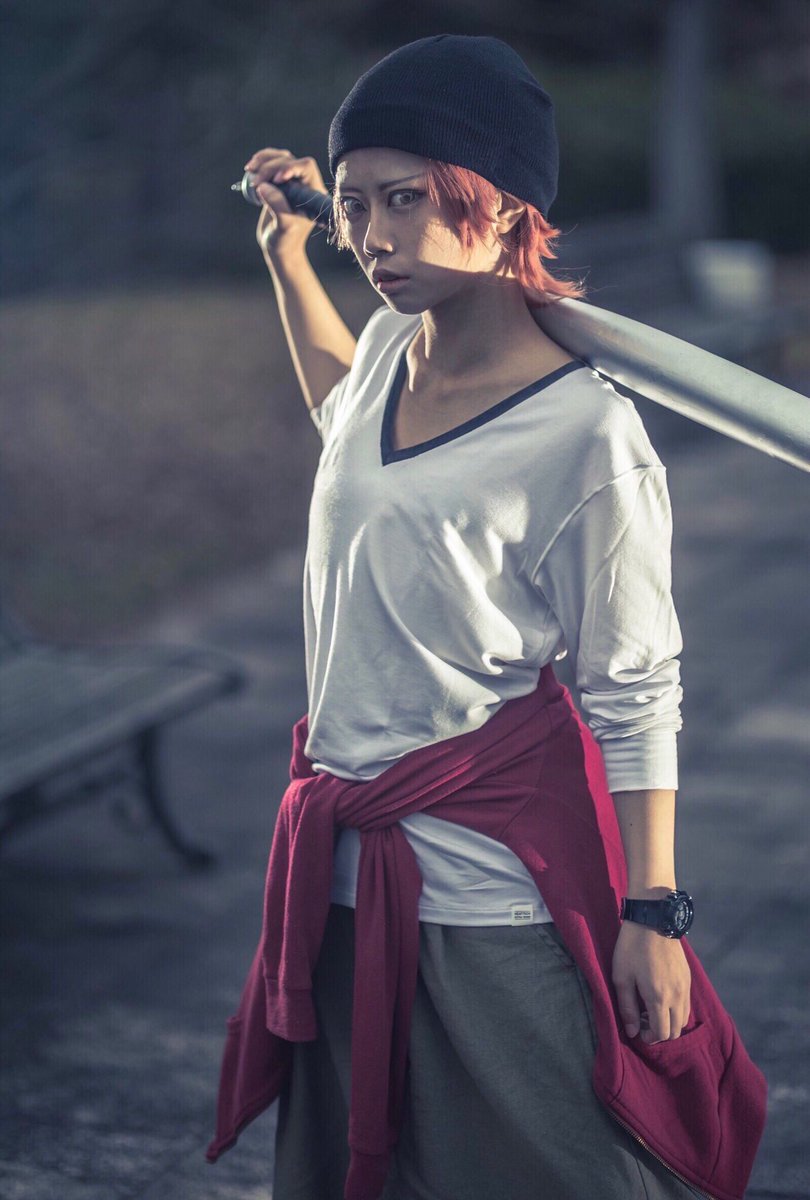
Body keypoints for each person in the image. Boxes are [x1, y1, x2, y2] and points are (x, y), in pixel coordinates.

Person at [209, 35, 765, 1200]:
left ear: (503, 204)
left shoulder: (587, 434)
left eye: (406, 200)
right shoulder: (381, 354)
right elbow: (346, 431)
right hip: (342, 871)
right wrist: (288, 260)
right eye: (353, 203)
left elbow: (635, 689)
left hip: (488, 880)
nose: (373, 237)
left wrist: (654, 914)